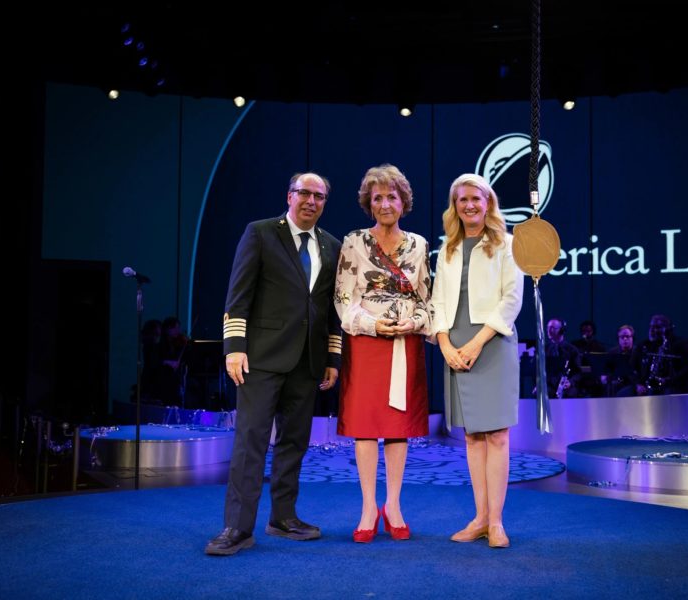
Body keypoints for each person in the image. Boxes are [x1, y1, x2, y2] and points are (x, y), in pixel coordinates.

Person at [204, 172, 343, 556]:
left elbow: (331, 308)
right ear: (289, 195)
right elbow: (239, 293)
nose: (311, 201)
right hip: (260, 359)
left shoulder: (331, 246)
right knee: (250, 442)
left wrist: (333, 357)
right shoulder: (261, 233)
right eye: (304, 193)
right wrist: (234, 346)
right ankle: (237, 527)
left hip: (308, 361)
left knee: (294, 443)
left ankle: (283, 517)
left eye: (319, 196)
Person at [334, 164, 432, 543]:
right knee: (364, 426)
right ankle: (367, 507)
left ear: (403, 201)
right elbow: (343, 299)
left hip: (405, 344)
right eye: (378, 198)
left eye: (392, 196)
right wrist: (374, 325)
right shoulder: (354, 241)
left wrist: (415, 323)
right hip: (365, 342)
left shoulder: (420, 245)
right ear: (368, 204)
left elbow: (428, 298)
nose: (385, 203)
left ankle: (393, 505)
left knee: (397, 427)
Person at [430, 173, 523, 549]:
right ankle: (480, 518)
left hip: (493, 344)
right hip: (454, 346)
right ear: (455, 206)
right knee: (471, 437)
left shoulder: (507, 245)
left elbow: (511, 301)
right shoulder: (448, 250)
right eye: (462, 200)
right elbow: (436, 303)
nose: (469, 205)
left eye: (476, 199)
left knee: (497, 436)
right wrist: (445, 345)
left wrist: (476, 343)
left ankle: (497, 522)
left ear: (489, 203)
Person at [627, 314, 688, 395]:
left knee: (668, 392)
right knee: (623, 393)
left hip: (672, 385)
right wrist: (637, 384)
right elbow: (631, 368)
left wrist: (668, 380)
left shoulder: (680, 344)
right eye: (651, 327)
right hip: (645, 386)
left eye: (657, 327)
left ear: (668, 329)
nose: (652, 330)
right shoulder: (643, 345)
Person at [545, 318, 583, 398]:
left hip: (566, 386)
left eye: (552, 328)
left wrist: (570, 382)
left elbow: (578, 372)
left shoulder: (571, 350)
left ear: (561, 330)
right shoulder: (544, 349)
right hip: (549, 386)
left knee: (572, 393)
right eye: (548, 328)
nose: (549, 330)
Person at [600, 324, 635, 396]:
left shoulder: (637, 353)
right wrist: (603, 376)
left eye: (627, 337)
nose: (625, 339)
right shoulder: (612, 353)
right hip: (615, 383)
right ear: (618, 339)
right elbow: (605, 369)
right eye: (622, 337)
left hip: (632, 383)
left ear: (632, 338)